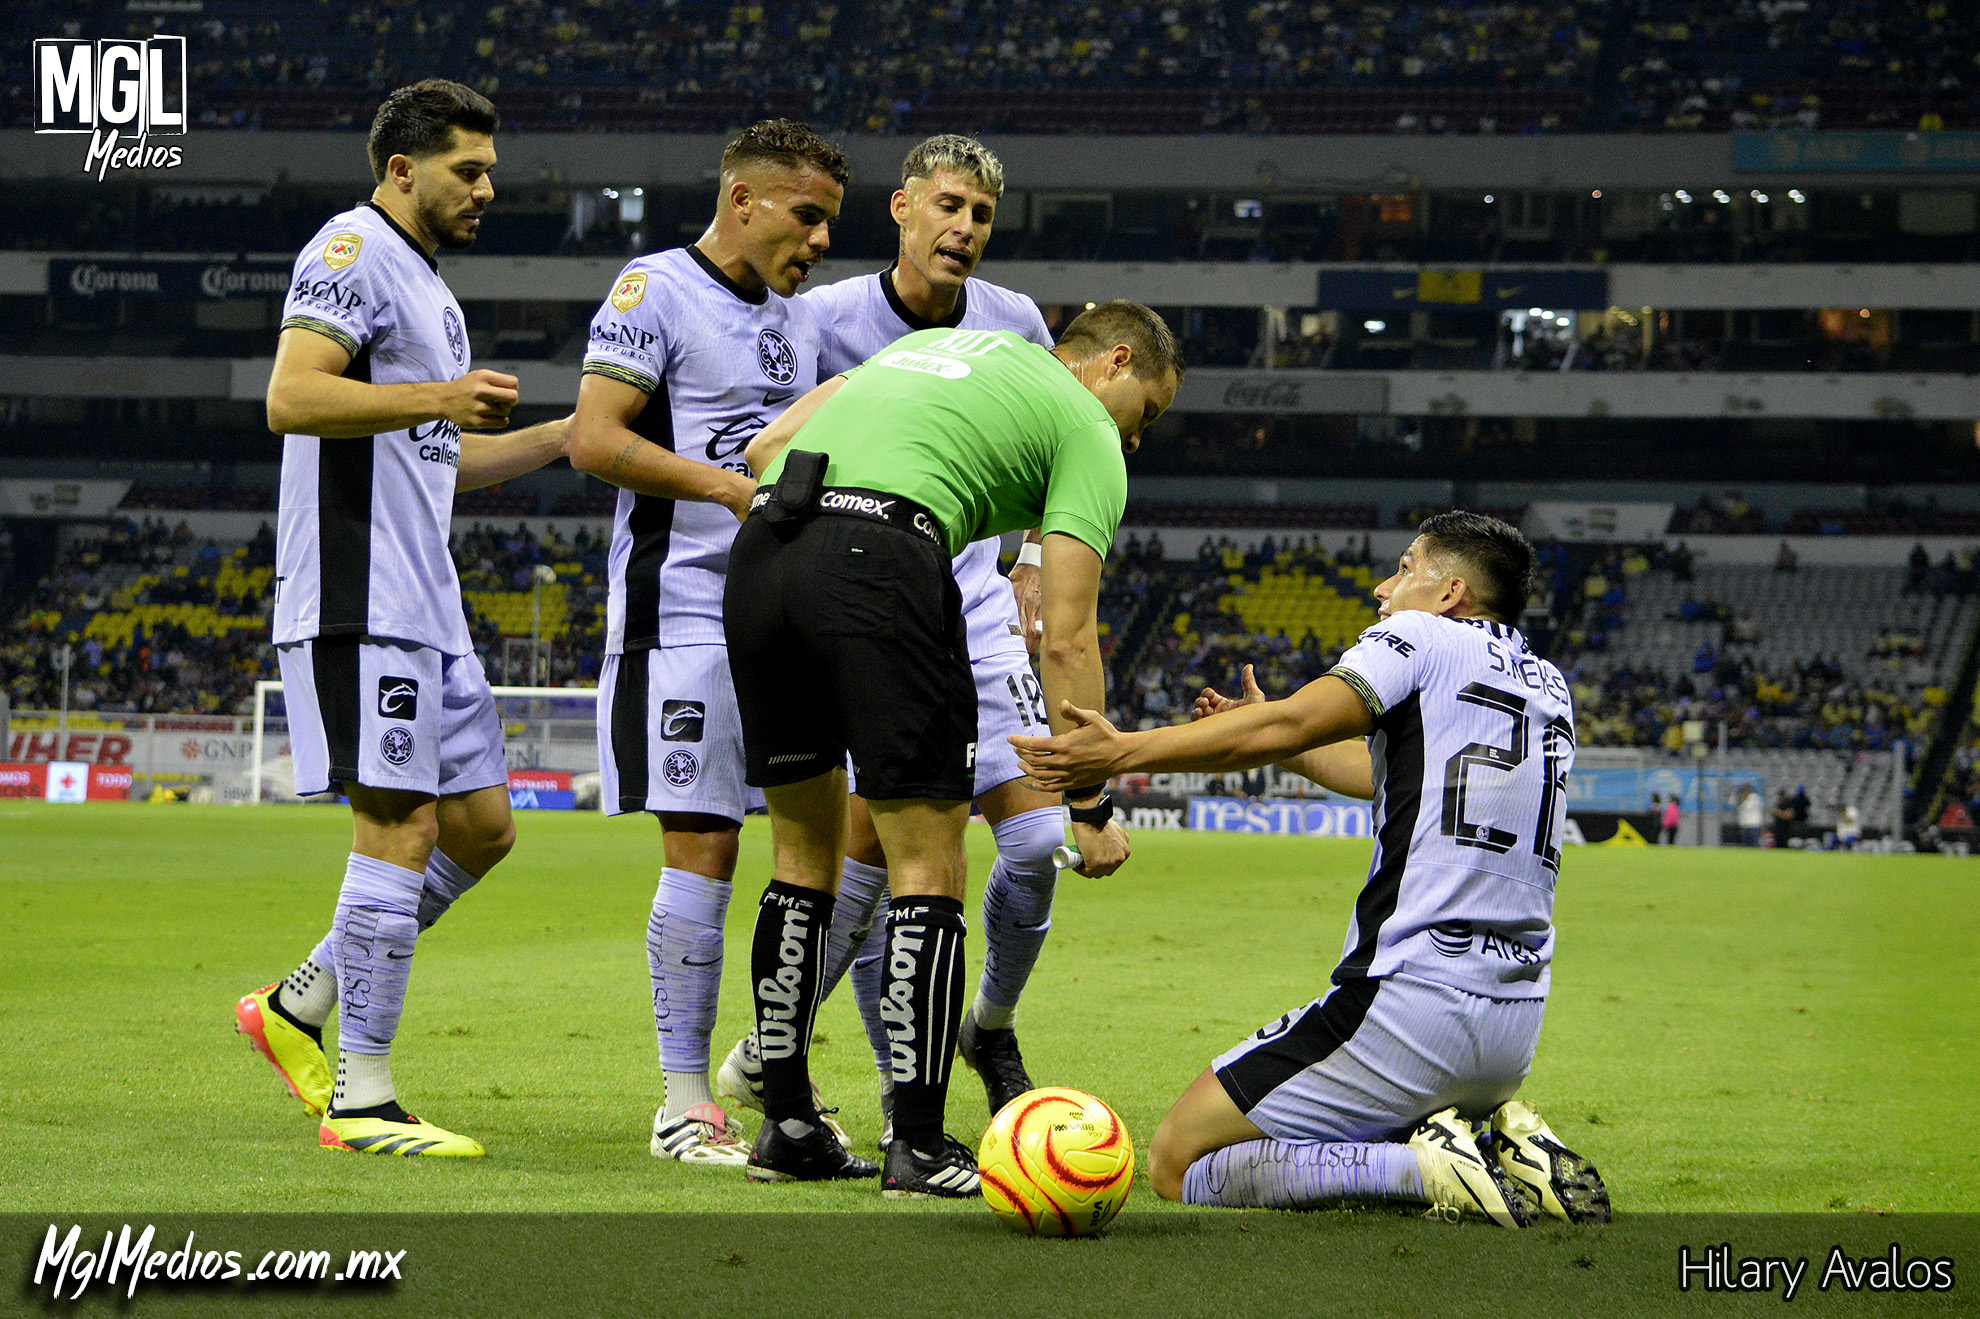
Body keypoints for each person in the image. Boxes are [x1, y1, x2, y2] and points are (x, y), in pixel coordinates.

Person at [1013, 512, 1609, 1227]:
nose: (1384, 588)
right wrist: (1284, 742)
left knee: (1176, 1160)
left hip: (1410, 1004)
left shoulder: (1419, 636)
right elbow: (1385, 772)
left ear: (1451, 593)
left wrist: (1122, 752)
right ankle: (1504, 1146)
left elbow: (1292, 721)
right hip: (1514, 1027)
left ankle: (1422, 1169)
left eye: (1405, 567)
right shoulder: (1547, 682)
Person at [726, 300, 1179, 1195]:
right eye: (1148, 414)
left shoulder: (929, 347)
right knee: (929, 867)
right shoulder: (1085, 425)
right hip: (882, 558)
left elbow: (764, 448)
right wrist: (1090, 804)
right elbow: (1066, 636)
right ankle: (922, 1144)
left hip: (766, 555)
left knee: (801, 860)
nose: (1134, 440)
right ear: (1116, 361)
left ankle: (788, 1127)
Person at [713, 135, 1093, 1137]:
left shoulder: (1016, 321)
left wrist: (1022, 562)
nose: (964, 229)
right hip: (864, 585)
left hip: (968, 595)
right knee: (877, 852)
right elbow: (768, 443)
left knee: (1032, 839)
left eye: (982, 215)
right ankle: (882, 1098)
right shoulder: (824, 316)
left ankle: (984, 1028)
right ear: (903, 208)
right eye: (950, 206)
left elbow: (1045, 440)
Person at [235, 80, 571, 1158]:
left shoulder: (428, 288)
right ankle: (363, 1099)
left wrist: (566, 438)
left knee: (483, 828)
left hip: (428, 603)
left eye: (490, 172)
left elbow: (441, 461)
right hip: (358, 594)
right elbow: (292, 396)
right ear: (400, 169)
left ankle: (297, 1002)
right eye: (467, 170)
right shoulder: (350, 252)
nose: (486, 189)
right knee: (401, 825)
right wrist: (438, 396)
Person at [565, 120, 849, 1167]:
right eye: (805, 216)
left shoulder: (796, 321)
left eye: (829, 221)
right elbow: (594, 437)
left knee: (821, 850)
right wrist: (732, 489)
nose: (820, 240)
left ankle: (781, 1085)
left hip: (782, 614)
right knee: (706, 844)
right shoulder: (654, 289)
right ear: (742, 200)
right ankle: (684, 1105)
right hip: (680, 610)